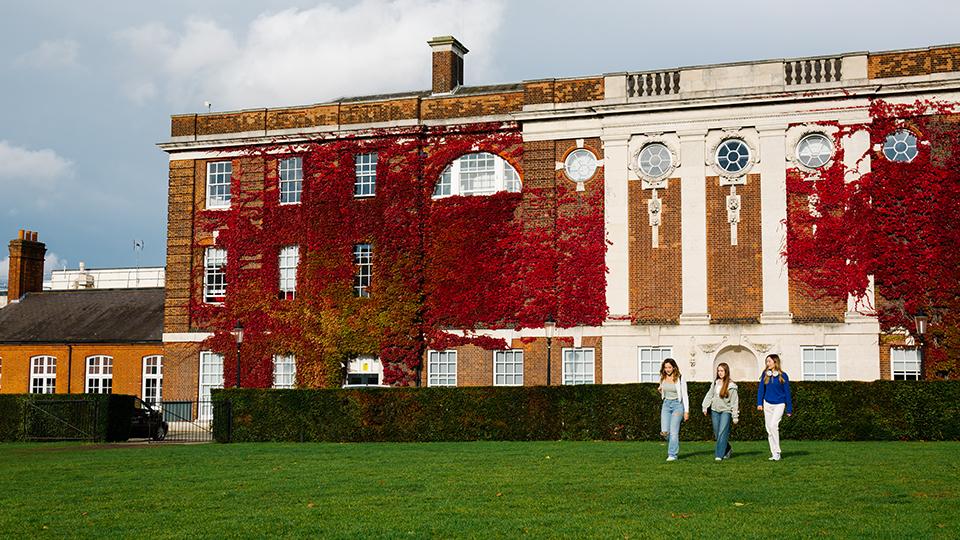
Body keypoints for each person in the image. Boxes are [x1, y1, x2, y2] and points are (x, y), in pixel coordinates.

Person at [757, 354, 793, 461]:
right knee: (769, 429)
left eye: (769, 361)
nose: (767, 363)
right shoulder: (765, 375)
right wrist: (759, 403)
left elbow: (787, 393)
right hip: (767, 403)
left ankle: (777, 450)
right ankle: (774, 454)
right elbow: (761, 390)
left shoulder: (783, 376)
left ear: (775, 362)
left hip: (779, 404)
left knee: (773, 426)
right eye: (766, 362)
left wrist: (789, 408)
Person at [701, 362, 739, 461]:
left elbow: (735, 401)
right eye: (718, 371)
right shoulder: (715, 383)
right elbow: (709, 395)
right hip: (714, 410)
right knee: (718, 434)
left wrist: (735, 416)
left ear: (726, 371)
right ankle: (728, 448)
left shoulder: (732, 386)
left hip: (726, 411)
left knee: (722, 433)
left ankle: (719, 455)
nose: (720, 372)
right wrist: (705, 407)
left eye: (722, 371)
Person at [658, 358, 689, 461]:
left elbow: (685, 395)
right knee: (665, 431)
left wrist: (686, 411)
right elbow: (663, 389)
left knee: (674, 431)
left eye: (669, 367)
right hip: (666, 404)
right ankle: (673, 443)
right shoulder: (662, 377)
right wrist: (660, 390)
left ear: (674, 367)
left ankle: (672, 454)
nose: (667, 369)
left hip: (677, 405)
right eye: (666, 367)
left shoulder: (680, 377)